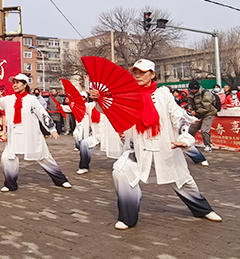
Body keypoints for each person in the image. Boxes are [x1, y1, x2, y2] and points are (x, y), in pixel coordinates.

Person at [104, 59, 221, 229]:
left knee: (183, 180)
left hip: (165, 146)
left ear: (152, 74)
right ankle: (128, 216)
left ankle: (202, 209)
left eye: (142, 72)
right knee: (120, 172)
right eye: (135, 72)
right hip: (138, 148)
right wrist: (99, 99)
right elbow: (111, 108)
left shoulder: (163, 94)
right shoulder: (127, 95)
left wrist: (185, 139)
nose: (138, 75)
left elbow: (178, 118)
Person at [0, 73, 71, 192]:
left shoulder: (32, 99)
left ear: (25, 85)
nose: (15, 85)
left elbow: (42, 113)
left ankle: (61, 180)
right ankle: (10, 184)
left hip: (31, 134)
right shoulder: (8, 99)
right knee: (7, 158)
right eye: (13, 82)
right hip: (14, 134)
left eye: (18, 82)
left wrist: (52, 129)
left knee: (44, 157)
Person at [74, 90, 122, 174]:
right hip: (96, 135)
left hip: (111, 135)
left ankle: (124, 166)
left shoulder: (113, 105)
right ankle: (84, 166)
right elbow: (79, 106)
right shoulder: (90, 106)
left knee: (123, 150)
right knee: (84, 143)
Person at [187, 79, 217, 152]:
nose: (191, 91)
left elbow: (207, 108)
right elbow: (190, 102)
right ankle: (189, 143)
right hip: (198, 114)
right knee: (192, 129)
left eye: (192, 90)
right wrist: (189, 107)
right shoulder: (191, 94)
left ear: (196, 89)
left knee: (204, 130)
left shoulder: (206, 94)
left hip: (208, 114)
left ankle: (208, 146)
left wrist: (196, 112)